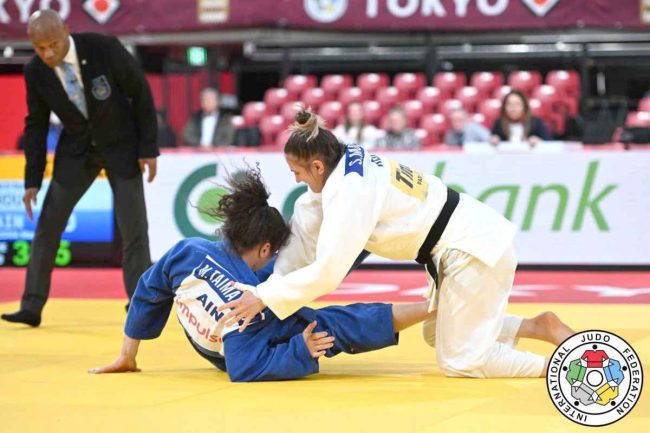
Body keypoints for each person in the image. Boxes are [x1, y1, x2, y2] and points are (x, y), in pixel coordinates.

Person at [220, 107, 575, 379]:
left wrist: (265, 296)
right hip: (459, 242)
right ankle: (538, 326)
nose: (297, 180)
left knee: (462, 361)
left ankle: (559, 366)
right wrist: (267, 289)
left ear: (316, 166)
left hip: (471, 247)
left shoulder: (351, 192)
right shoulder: (342, 164)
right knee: (437, 332)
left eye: (297, 173)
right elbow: (305, 229)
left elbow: (328, 271)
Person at [89, 166, 434, 382]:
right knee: (329, 324)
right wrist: (299, 349)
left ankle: (363, 242)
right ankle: (433, 307)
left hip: (228, 309)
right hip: (238, 339)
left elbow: (147, 290)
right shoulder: (248, 311)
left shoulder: (187, 250)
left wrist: (127, 355)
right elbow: (243, 369)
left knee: (303, 269)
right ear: (265, 247)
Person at [1, 10, 158, 327]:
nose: (47, 53)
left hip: (121, 145)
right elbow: (36, 126)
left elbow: (140, 91)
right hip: (76, 152)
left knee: (134, 229)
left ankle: (140, 305)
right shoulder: (36, 71)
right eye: (39, 48)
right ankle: (31, 305)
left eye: (53, 45)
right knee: (48, 225)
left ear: (66, 31)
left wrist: (148, 149)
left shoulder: (103, 48)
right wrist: (32, 180)